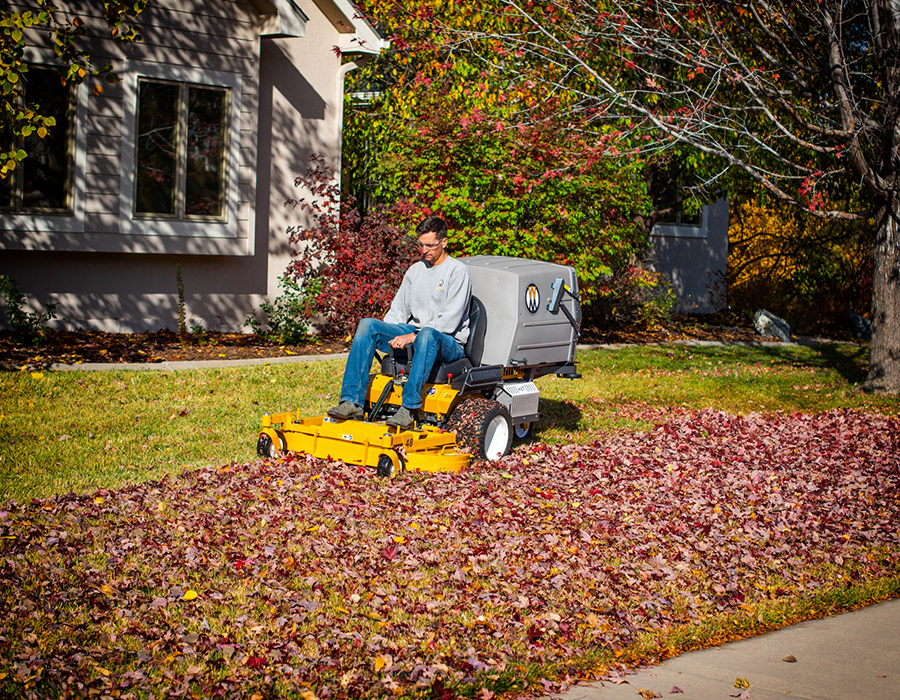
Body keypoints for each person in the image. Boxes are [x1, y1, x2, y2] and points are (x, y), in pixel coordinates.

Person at [327, 216, 472, 429]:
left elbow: (449, 322)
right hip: (416, 332)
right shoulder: (415, 271)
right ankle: (352, 402)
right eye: (421, 245)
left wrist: (412, 336)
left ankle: (410, 408)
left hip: (447, 341)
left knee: (426, 335)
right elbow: (398, 312)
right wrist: (390, 333)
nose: (424, 250)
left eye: (430, 245)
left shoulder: (457, 271)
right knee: (368, 325)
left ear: (444, 242)